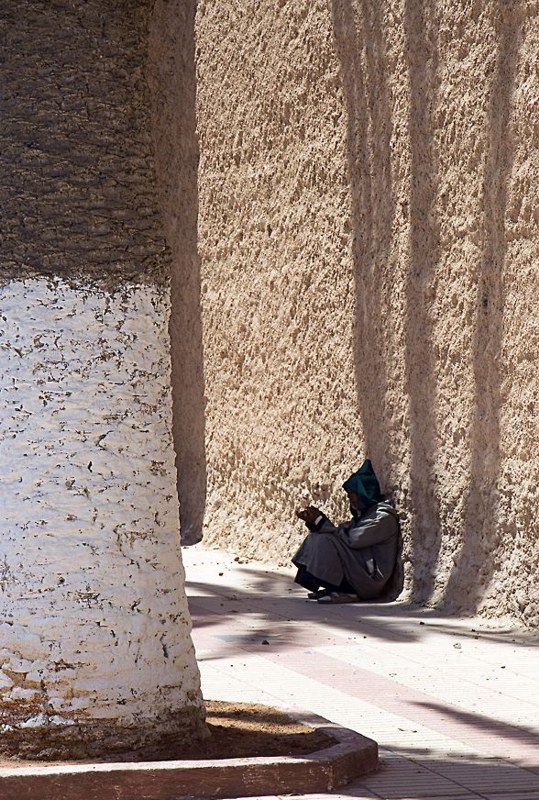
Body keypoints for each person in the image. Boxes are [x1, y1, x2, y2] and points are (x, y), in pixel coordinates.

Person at [292, 459, 399, 603]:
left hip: (370, 581)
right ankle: (334, 587)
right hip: (361, 571)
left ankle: (348, 591)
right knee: (317, 536)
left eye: (352, 494)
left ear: (363, 493)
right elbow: (343, 535)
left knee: (326, 540)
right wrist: (317, 522)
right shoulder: (366, 515)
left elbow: (352, 540)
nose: (350, 498)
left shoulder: (382, 518)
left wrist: (321, 522)